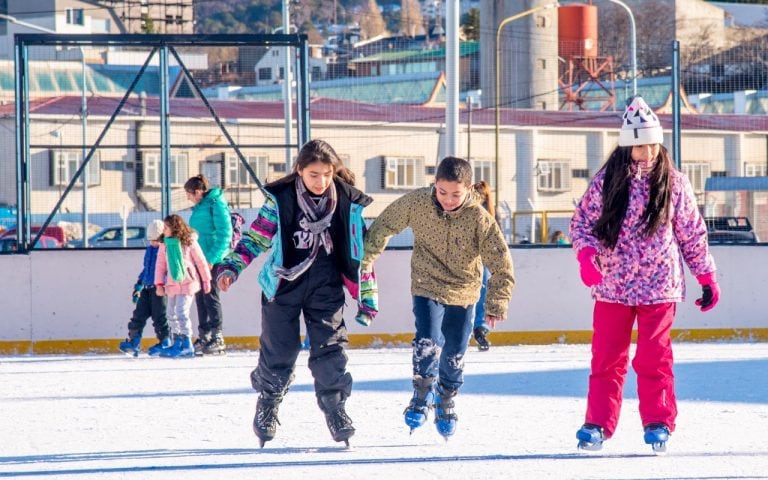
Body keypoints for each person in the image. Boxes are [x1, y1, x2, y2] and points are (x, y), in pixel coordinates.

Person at [569, 96, 720, 453]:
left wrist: (706, 276)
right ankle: (597, 423)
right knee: (607, 358)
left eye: (652, 142)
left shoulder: (675, 183)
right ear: (627, 146)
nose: (648, 151)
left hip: (659, 288)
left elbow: (691, 233)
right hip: (613, 286)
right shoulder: (607, 182)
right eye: (639, 145)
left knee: (654, 358)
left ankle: (658, 421)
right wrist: (587, 256)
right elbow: (581, 225)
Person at [215, 139, 377, 447]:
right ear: (299, 170)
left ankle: (335, 408)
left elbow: (363, 254)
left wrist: (366, 296)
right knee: (280, 350)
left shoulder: (347, 202)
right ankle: (268, 401)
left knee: (330, 348)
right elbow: (257, 237)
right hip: (283, 285)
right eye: (314, 174)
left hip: (326, 286)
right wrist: (232, 267)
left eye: (327, 174)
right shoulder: (281, 200)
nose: (321, 181)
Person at [361, 156, 515, 439]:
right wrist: (366, 261)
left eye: (456, 194)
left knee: (455, 351)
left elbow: (502, 263)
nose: (448, 199)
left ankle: (445, 400)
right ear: (435, 185)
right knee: (428, 339)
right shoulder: (417, 202)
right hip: (427, 283)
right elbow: (384, 225)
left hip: (465, 290)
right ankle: (421, 396)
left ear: (469, 189)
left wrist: (496, 302)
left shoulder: (480, 218)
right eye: (442, 192)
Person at [185, 174, 233, 355]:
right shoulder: (200, 207)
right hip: (199, 260)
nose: (188, 197)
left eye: (189, 193)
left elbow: (225, 234)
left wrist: (212, 259)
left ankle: (217, 337)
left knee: (211, 296)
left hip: (213, 260)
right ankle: (204, 335)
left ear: (198, 192)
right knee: (200, 297)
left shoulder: (216, 203)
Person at [154, 214, 212, 358]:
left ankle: (187, 344)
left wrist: (206, 280)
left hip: (188, 283)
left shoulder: (188, 241)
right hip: (172, 284)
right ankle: (177, 342)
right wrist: (159, 283)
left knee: (181, 312)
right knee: (170, 313)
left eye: (166, 227)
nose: (164, 230)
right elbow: (160, 265)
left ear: (174, 227)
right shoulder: (164, 244)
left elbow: (200, 261)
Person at [119, 219, 171, 357]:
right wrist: (139, 285)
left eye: (156, 240)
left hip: (159, 289)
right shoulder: (149, 250)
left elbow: (166, 270)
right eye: (151, 240)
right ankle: (133, 341)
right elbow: (146, 269)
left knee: (159, 317)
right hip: (147, 288)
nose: (153, 243)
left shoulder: (166, 249)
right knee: (138, 315)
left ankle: (165, 341)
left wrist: (163, 284)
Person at [471, 180, 495, 352]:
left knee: (483, 291)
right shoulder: (468, 210)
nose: (480, 198)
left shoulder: (489, 214)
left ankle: (480, 328)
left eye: (483, 195)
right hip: (468, 258)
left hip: (482, 258)